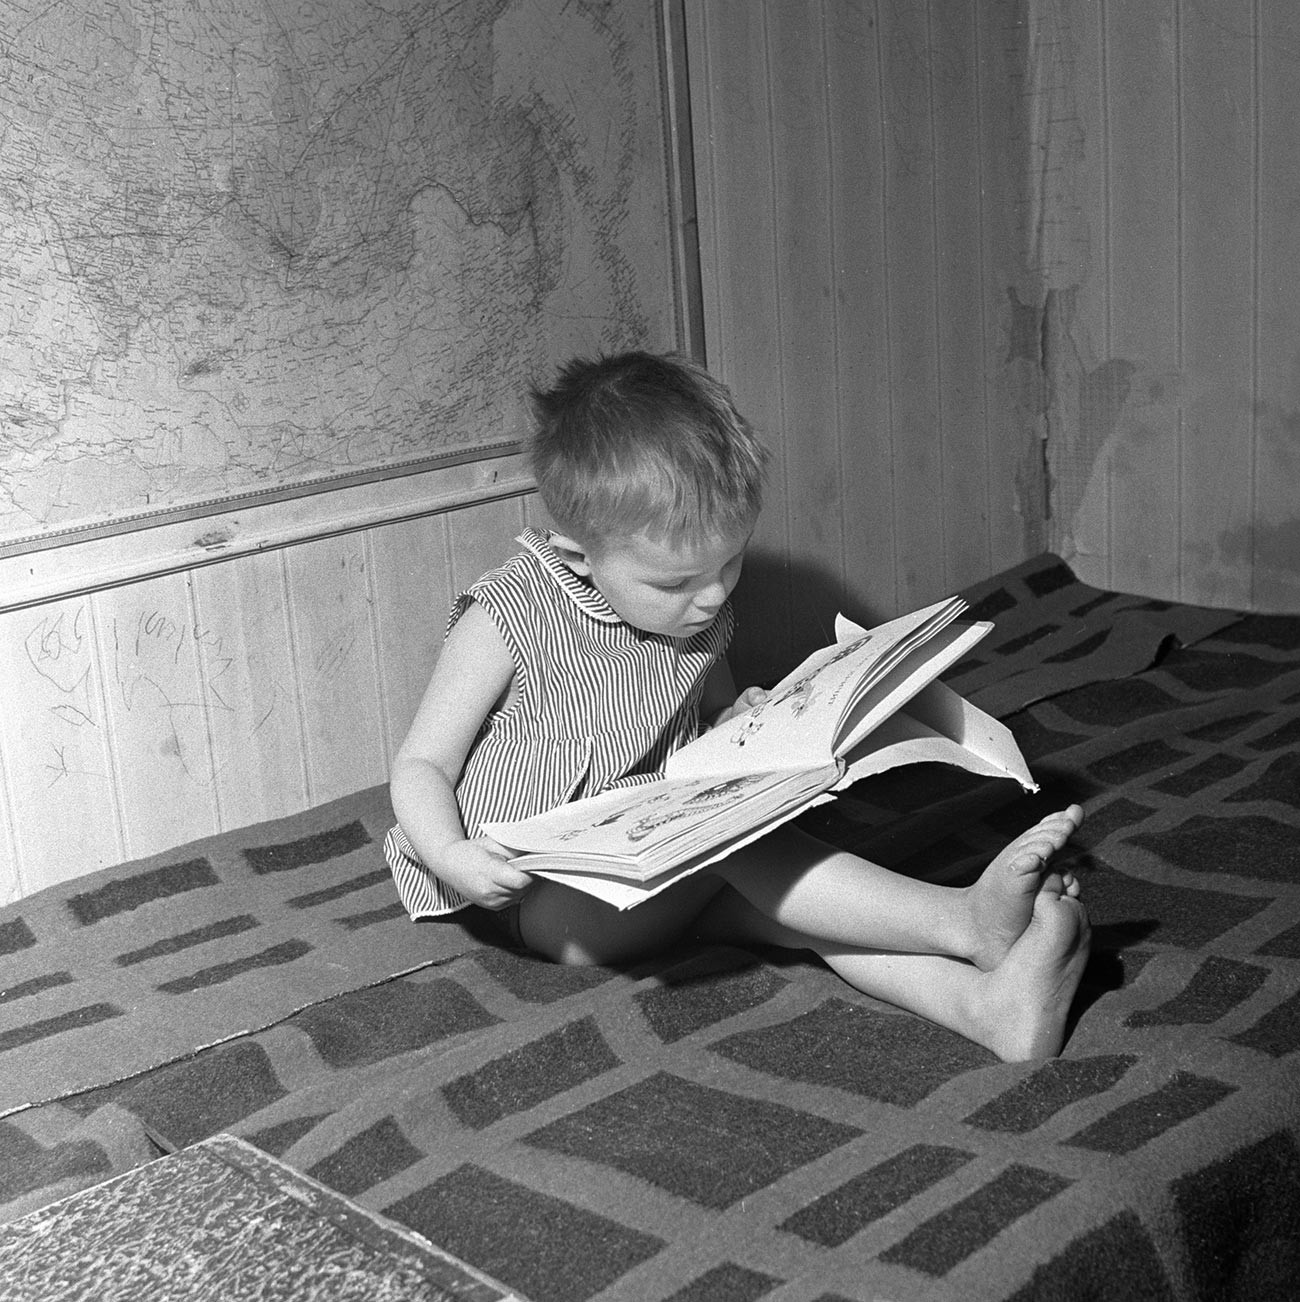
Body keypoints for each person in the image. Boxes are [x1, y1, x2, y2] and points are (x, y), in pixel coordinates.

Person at [386, 351, 1090, 1061]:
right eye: (679, 580)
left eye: (731, 562)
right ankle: (961, 921)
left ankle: (985, 1010)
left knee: (785, 911)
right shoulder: (508, 614)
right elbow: (419, 764)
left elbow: (706, 722)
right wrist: (452, 857)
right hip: (542, 900)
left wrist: (745, 725)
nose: (716, 595)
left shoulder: (694, 613)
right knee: (745, 850)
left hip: (655, 857)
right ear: (577, 560)